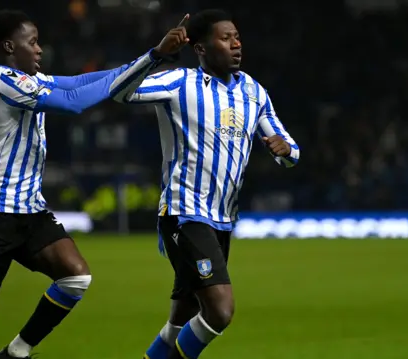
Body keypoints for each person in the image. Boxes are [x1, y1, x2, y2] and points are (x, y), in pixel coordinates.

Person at [0, 9, 188, 359]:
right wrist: (153, 56)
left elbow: (80, 82)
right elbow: (74, 103)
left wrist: (147, 61)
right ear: (10, 46)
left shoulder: (25, 78)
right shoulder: (4, 82)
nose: (40, 49)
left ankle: (15, 353)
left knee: (75, 277)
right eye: (33, 42)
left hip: (29, 210)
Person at [117, 9, 300, 359]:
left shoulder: (254, 92)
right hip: (185, 213)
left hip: (222, 220)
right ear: (200, 48)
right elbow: (122, 92)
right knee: (219, 310)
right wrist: (156, 54)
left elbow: (291, 151)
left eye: (237, 37)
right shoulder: (178, 82)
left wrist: (284, 149)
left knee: (179, 321)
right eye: (226, 38)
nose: (236, 44)